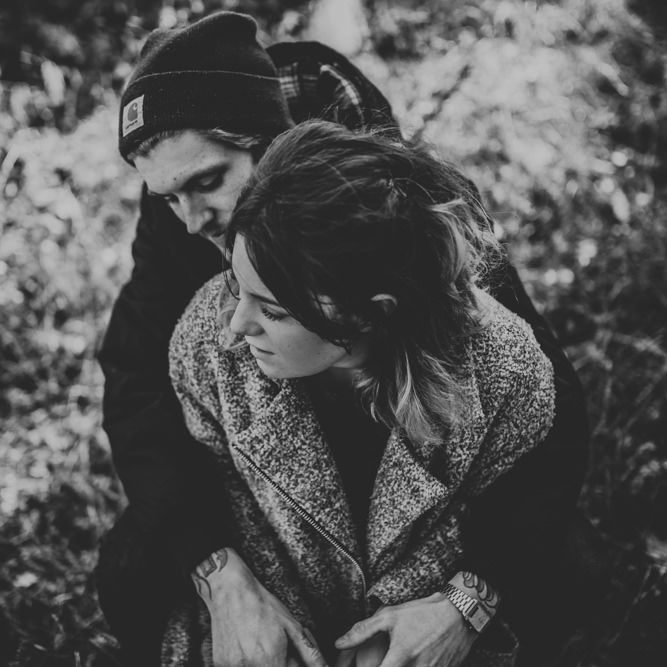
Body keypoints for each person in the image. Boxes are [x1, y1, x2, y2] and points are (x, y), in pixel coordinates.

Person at [96, 10, 590, 667]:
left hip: (410, 509)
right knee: (135, 564)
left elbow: (541, 410)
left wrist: (464, 601)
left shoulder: (403, 220)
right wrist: (221, 575)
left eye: (207, 183)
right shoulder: (183, 217)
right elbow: (134, 379)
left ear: (272, 146)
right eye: (164, 197)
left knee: (555, 568)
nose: (189, 222)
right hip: (276, 516)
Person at [165, 119, 563, 667]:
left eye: (274, 310)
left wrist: (459, 608)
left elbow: (524, 517)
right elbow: (200, 487)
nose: (237, 324)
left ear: (370, 314)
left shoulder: (504, 371)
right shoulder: (206, 343)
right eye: (237, 283)